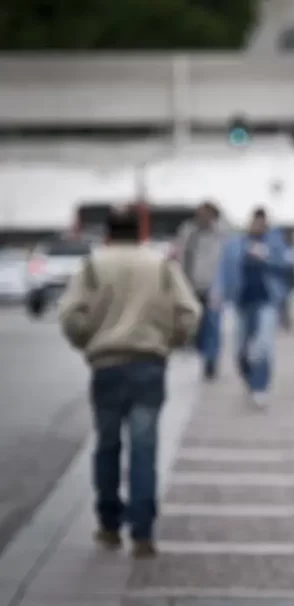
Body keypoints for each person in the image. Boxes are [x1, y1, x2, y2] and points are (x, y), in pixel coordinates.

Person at [58, 209, 200, 558]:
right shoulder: (160, 265)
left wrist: (87, 341)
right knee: (144, 448)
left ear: (108, 232)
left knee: (107, 445)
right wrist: (170, 341)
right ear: (140, 232)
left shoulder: (93, 265)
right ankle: (142, 531)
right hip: (149, 363)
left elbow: (70, 315)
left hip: (106, 364)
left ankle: (109, 525)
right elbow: (189, 313)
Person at [213, 208, 294, 409]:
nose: (258, 226)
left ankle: (261, 386)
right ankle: (249, 379)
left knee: (263, 346)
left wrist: (266, 256)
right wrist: (218, 292)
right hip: (241, 301)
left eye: (262, 223)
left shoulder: (274, 243)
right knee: (241, 349)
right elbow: (223, 268)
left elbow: (287, 265)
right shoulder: (235, 243)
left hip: (267, 300)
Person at [174, 201, 228, 380]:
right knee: (196, 324)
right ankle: (200, 350)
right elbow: (180, 255)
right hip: (191, 285)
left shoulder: (221, 234)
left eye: (207, 214)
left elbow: (225, 260)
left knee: (213, 325)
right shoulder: (188, 231)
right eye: (200, 214)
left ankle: (211, 361)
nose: (202, 218)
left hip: (213, 287)